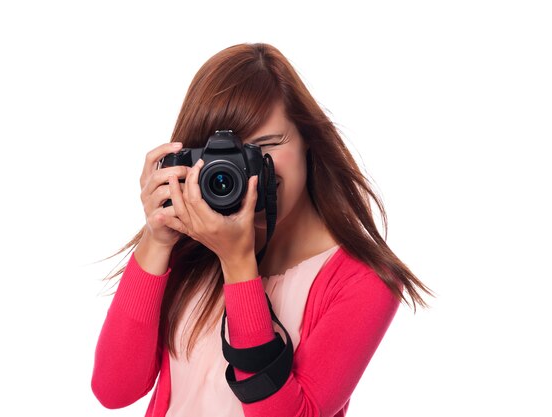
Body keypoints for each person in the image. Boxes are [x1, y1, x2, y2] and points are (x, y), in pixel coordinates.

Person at [91, 43, 434, 417]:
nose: (251, 171)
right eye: (227, 157)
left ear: (309, 141)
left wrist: (238, 266)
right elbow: (114, 390)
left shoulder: (365, 280)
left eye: (268, 145)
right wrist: (156, 239)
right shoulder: (192, 249)